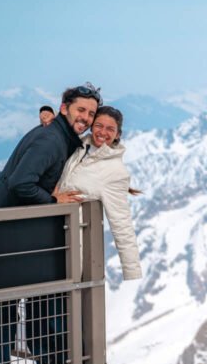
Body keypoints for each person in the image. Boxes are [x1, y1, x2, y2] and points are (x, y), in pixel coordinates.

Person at [0, 83, 100, 364]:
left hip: (9, 231)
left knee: (9, 303)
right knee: (1, 304)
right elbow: (21, 183)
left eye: (91, 113)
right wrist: (54, 202)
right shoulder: (51, 141)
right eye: (80, 109)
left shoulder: (60, 137)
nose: (85, 117)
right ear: (64, 107)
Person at [55, 105, 143, 281]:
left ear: (118, 134)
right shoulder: (78, 146)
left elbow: (122, 223)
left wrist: (131, 270)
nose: (103, 132)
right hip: (50, 229)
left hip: (71, 241)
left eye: (110, 129)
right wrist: (48, 113)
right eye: (99, 125)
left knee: (58, 300)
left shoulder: (115, 172)